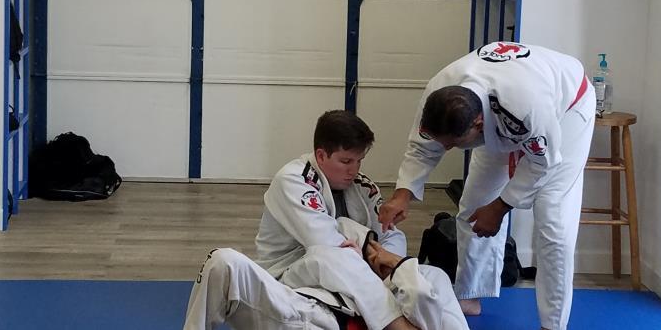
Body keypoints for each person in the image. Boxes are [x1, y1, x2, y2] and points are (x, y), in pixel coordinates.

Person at [183, 110, 469, 330]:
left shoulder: (362, 186)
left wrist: (385, 261)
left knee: (434, 275)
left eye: (359, 161)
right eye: (346, 161)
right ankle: (395, 325)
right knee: (334, 255)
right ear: (321, 155)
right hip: (292, 280)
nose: (353, 170)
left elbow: (390, 235)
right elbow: (325, 243)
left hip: (351, 288)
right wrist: (370, 251)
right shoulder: (293, 180)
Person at [379, 41, 596, 330]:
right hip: (506, 101)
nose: (447, 148)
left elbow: (542, 164)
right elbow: (422, 148)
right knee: (474, 205)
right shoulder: (439, 93)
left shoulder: (526, 108)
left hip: (567, 108)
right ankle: (470, 295)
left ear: (478, 124)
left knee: (553, 220)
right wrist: (402, 195)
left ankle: (552, 324)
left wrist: (500, 207)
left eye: (454, 144)